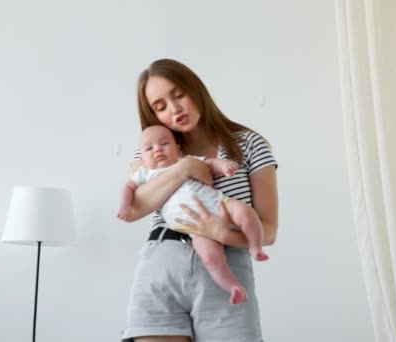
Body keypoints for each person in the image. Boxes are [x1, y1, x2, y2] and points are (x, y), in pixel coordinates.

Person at [120, 58, 278, 342]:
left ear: (196, 89)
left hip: (225, 268)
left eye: (178, 94)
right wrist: (184, 168)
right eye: (161, 106)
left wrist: (220, 233)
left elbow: (269, 231)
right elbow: (135, 208)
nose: (174, 109)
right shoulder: (154, 151)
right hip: (161, 266)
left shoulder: (251, 144)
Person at [118, 125, 269, 305]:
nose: (157, 149)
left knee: (246, 212)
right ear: (141, 157)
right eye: (149, 148)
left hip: (220, 204)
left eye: (164, 143)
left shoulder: (186, 159)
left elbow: (210, 163)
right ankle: (233, 287)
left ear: (177, 148)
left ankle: (255, 246)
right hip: (193, 229)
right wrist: (124, 206)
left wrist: (224, 166)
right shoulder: (145, 174)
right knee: (210, 258)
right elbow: (127, 187)